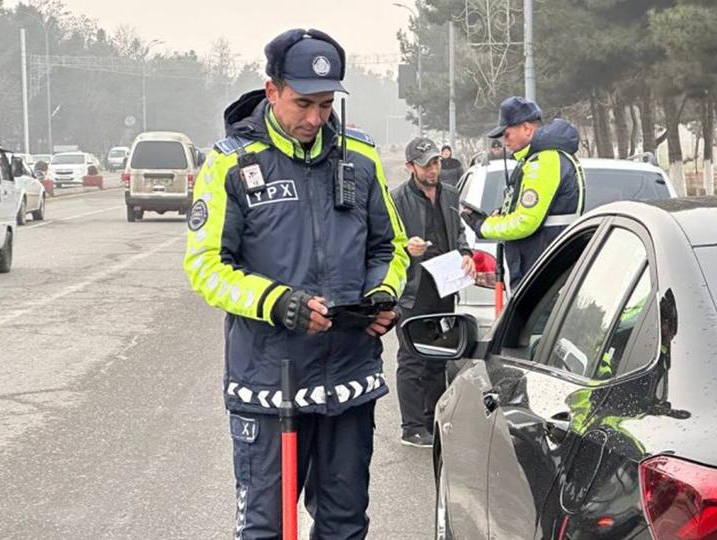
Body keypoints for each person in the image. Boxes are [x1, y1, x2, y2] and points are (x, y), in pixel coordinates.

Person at [182, 28, 409, 539]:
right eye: (302, 102)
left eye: (326, 105)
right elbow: (206, 266)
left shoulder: (362, 158)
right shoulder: (231, 164)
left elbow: (389, 247)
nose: (314, 119)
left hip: (350, 376)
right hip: (269, 384)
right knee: (266, 528)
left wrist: (382, 293)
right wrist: (276, 301)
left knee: (345, 526)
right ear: (272, 90)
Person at [390, 137, 475, 447]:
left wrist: (465, 252)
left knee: (438, 355)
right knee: (412, 356)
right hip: (413, 288)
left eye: (436, 162)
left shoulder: (450, 194)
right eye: (426, 164)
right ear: (410, 166)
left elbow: (459, 231)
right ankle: (411, 426)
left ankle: (432, 419)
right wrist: (405, 247)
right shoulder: (397, 198)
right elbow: (382, 240)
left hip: (445, 283)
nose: (433, 169)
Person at [461, 96, 585, 286]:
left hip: (543, 272)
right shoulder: (538, 158)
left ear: (526, 128)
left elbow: (525, 221)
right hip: (544, 267)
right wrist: (501, 215)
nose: (504, 142)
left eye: (507, 134)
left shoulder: (543, 161)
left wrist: (482, 226)